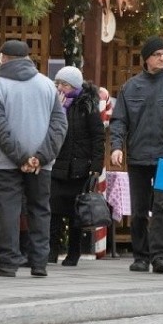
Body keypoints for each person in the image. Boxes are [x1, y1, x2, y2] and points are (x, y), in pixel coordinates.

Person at [109, 36, 163, 274]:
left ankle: (159, 256)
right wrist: (117, 146)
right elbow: (119, 121)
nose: (162, 58)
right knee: (138, 210)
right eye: (157, 54)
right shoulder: (130, 87)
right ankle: (140, 256)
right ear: (146, 58)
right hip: (138, 157)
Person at [0, 40, 67, 278]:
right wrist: (40, 157)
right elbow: (59, 125)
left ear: (4, 58)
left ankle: (8, 262)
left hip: (4, 161)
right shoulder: (47, 85)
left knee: (8, 209)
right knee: (40, 209)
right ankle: (39, 263)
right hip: (42, 164)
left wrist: (21, 157)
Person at [49, 66, 104, 266]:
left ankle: (74, 253)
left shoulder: (86, 105)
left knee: (75, 213)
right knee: (53, 211)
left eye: (64, 84)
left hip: (80, 167)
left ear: (74, 85)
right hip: (57, 165)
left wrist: (96, 166)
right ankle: (51, 251)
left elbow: (98, 137)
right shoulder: (54, 104)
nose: (60, 88)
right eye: (58, 84)